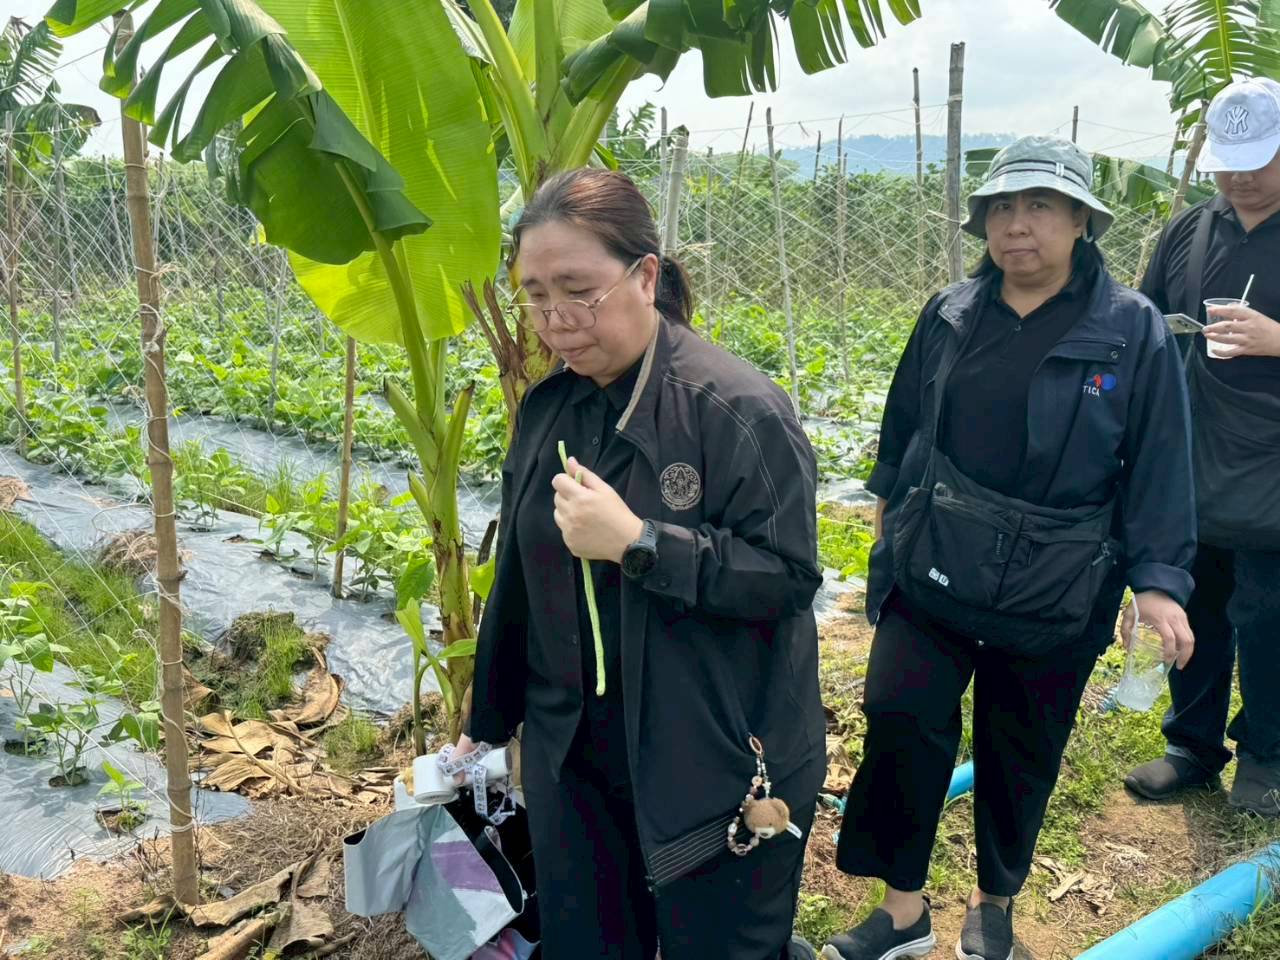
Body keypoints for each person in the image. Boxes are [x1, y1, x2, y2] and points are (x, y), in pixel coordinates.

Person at [820, 137, 1197, 960]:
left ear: (1080, 223)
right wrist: (886, 503)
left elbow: (1163, 461)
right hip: (938, 562)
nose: (1015, 226)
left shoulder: (1131, 330)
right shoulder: (951, 312)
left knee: (1020, 743)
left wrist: (1159, 582)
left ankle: (994, 905)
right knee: (898, 713)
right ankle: (902, 909)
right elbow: (904, 424)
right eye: (1000, 208)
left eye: (1039, 207)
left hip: (1057, 583)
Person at [455, 168, 827, 960]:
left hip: (714, 751)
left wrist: (642, 543)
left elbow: (788, 576)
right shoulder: (550, 407)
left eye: (578, 290)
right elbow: (519, 577)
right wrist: (486, 722)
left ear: (646, 276)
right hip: (572, 753)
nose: (556, 320)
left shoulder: (735, 409)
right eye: (534, 293)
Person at [1125, 77, 1280, 818]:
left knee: (1271, 616)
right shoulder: (1190, 230)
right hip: (1192, 456)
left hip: (1274, 470)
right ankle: (1192, 743)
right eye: (1228, 161)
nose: (1241, 176)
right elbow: (1147, 325)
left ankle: (1267, 753)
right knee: (1197, 604)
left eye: (1259, 159)